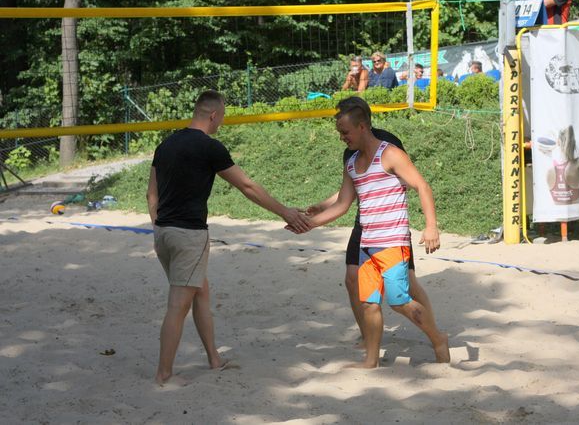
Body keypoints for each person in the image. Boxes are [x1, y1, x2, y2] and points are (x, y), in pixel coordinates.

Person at [147, 90, 310, 385]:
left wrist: (159, 227)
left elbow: (151, 194)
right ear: (213, 115)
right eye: (222, 116)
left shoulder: (166, 144)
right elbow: (247, 187)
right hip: (188, 236)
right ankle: (164, 374)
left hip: (163, 234)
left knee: (201, 292)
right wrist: (284, 211)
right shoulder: (210, 147)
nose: (222, 122)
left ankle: (214, 358)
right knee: (177, 306)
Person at [292, 96, 449, 369]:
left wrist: (431, 226)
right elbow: (342, 204)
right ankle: (371, 360)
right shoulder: (351, 162)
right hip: (367, 243)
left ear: (362, 126)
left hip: (392, 242)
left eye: (345, 132)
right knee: (369, 303)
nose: (341, 138)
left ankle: (438, 338)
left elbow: (422, 186)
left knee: (399, 301)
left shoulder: (390, 153)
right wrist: (310, 223)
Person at [537, 126, 579, 205]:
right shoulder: (578, 163)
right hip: (576, 210)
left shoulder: (549, 167)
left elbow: (540, 148)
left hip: (556, 211)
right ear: (574, 144)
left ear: (558, 142)